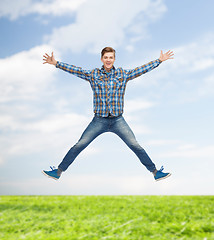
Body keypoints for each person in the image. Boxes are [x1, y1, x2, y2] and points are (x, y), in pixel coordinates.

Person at [42, 47, 174, 181]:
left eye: (111, 57)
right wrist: (57, 63)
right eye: (106, 57)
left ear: (114, 59)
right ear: (102, 59)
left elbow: (140, 70)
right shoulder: (93, 74)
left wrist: (159, 61)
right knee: (80, 144)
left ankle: (155, 172)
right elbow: (76, 70)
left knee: (135, 145)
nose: (108, 60)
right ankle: (58, 172)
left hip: (118, 120)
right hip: (99, 121)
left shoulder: (122, 74)